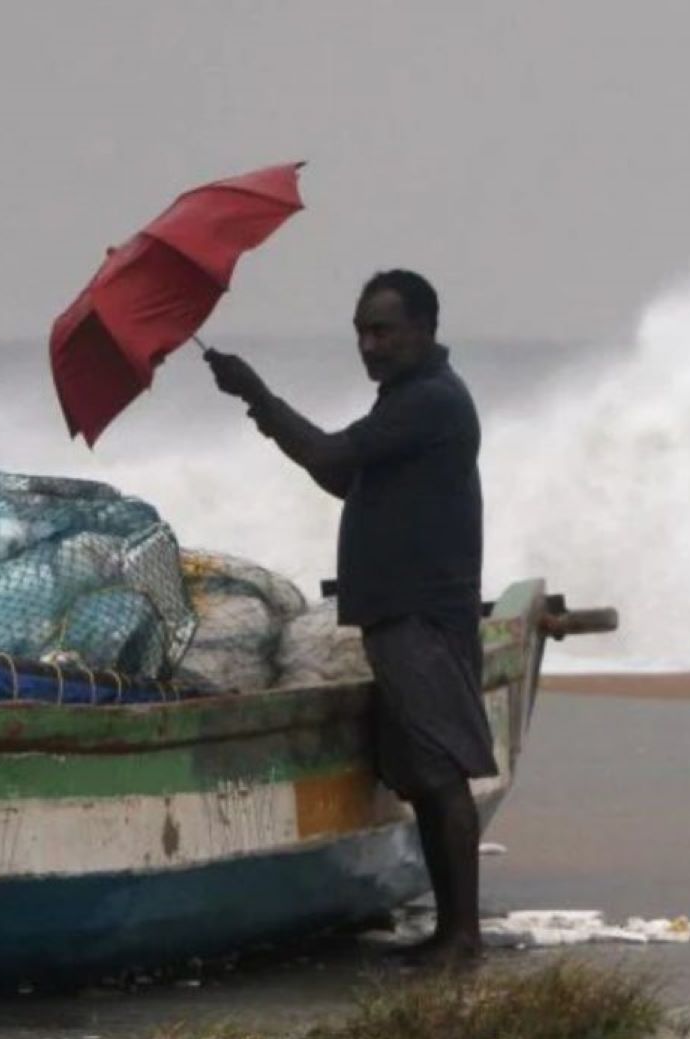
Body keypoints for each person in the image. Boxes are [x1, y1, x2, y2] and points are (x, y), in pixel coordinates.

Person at [204, 268, 497, 964]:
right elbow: (342, 475)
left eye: (384, 330)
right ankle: (451, 932)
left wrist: (258, 395)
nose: (370, 344)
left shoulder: (429, 402)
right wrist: (262, 411)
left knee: (440, 772)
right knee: (421, 776)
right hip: (395, 613)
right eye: (362, 331)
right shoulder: (406, 402)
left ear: (424, 330)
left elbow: (334, 453)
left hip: (422, 613)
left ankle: (463, 935)